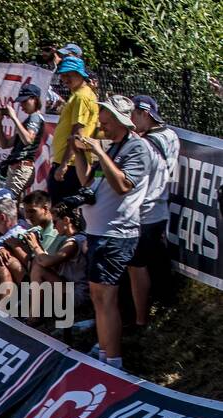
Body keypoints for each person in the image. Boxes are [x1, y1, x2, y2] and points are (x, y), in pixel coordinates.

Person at [72, 95, 149, 369]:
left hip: (117, 233)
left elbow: (123, 186)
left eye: (104, 114)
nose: (100, 118)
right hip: (98, 231)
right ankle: (105, 353)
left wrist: (100, 152)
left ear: (119, 119)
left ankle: (113, 361)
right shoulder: (114, 147)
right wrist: (80, 153)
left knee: (106, 297)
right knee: (98, 296)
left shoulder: (137, 148)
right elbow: (87, 181)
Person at [128, 94, 180, 329]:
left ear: (144, 113)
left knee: (138, 266)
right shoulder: (172, 136)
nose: (130, 119)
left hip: (143, 210)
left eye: (133, 114)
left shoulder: (143, 144)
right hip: (161, 208)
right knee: (159, 263)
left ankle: (140, 319)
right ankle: (166, 309)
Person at [49, 58, 99, 203]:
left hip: (71, 165)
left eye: (69, 75)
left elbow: (77, 133)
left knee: (61, 211)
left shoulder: (81, 97)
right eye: (62, 75)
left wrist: (64, 165)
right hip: (71, 163)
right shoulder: (80, 94)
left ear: (79, 74)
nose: (64, 79)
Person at [0, 83, 44, 196]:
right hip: (16, 169)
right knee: (9, 205)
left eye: (25, 101)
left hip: (22, 168)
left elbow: (28, 140)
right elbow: (5, 144)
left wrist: (14, 117)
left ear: (35, 99)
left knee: (5, 201)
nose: (22, 105)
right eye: (20, 102)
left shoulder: (35, 117)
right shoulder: (27, 120)